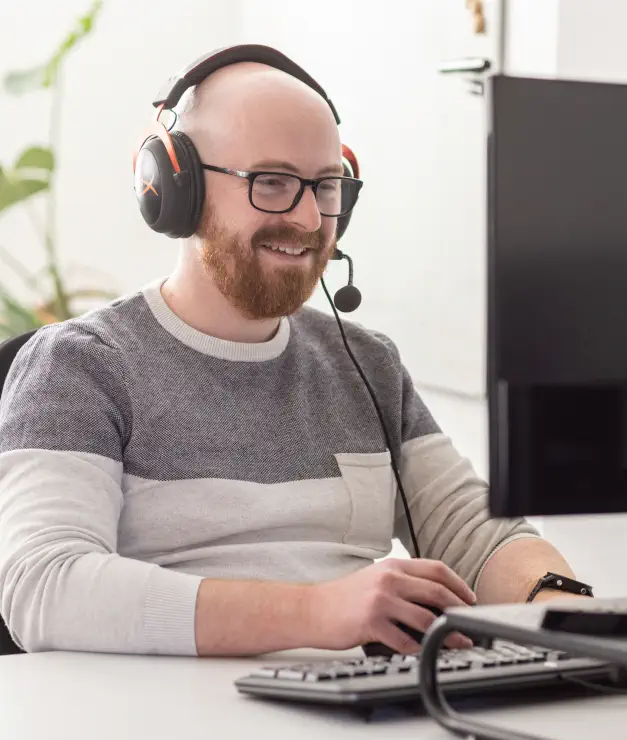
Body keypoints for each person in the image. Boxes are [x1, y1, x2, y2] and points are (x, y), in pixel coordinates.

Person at [0, 48, 586, 658]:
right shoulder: (80, 365)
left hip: (360, 709)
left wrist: (583, 625)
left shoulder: (367, 365)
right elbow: (44, 586)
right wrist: (317, 611)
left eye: (327, 185)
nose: (309, 219)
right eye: (272, 182)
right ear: (176, 187)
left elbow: (471, 530)